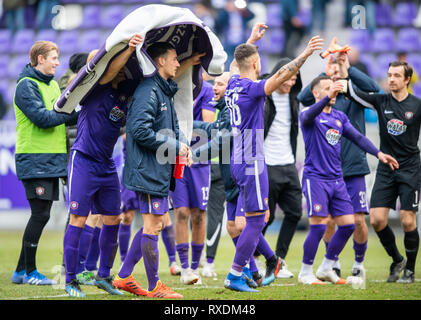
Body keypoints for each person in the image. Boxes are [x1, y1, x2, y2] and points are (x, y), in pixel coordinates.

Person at [223, 32, 324, 292]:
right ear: (257, 65)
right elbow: (280, 76)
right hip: (251, 158)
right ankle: (237, 273)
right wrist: (305, 55)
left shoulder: (233, 83)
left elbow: (238, 62)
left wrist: (251, 40)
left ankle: (259, 266)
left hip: (237, 157)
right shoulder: (251, 88)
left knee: (258, 216)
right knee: (256, 221)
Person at [112, 42, 202, 299]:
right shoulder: (148, 91)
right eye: (174, 58)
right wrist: (175, 145)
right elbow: (139, 130)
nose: (177, 63)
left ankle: (124, 276)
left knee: (160, 222)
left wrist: (183, 145)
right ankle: (154, 287)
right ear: (160, 62)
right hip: (148, 171)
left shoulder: (163, 90)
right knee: (153, 226)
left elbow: (170, 127)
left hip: (157, 169)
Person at [62, 34, 143, 298]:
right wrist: (129, 48)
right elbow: (107, 70)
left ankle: (104, 275)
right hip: (83, 160)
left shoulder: (125, 95)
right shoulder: (94, 87)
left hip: (106, 165)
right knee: (78, 218)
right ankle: (71, 280)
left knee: (113, 218)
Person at [297, 75, 398, 285]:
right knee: (318, 226)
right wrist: (328, 97)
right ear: (316, 93)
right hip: (315, 179)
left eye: (333, 88)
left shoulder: (339, 117)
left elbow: (358, 138)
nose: (332, 91)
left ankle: (326, 266)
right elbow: (308, 115)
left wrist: (379, 154)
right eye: (326, 88)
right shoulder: (309, 114)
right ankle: (305, 271)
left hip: (336, 179)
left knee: (348, 225)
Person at [10, 40, 78, 285]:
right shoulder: (26, 85)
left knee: (43, 214)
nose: (58, 63)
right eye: (53, 58)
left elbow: (61, 117)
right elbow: (42, 118)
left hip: (51, 159)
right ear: (40, 59)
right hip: (35, 158)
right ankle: (29, 272)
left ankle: (20, 271)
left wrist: (83, 114)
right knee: (40, 214)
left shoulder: (50, 86)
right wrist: (70, 115)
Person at [348, 61, 421, 283]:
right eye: (389, 75)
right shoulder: (381, 101)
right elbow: (351, 92)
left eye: (396, 75)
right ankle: (396, 259)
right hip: (386, 168)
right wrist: (345, 64)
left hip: (410, 168)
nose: (391, 79)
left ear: (407, 80)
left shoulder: (417, 105)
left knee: (408, 221)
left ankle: (410, 269)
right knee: (378, 220)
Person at [260, 57, 303, 279]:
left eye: (294, 78)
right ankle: (257, 259)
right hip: (267, 164)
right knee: (266, 218)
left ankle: (279, 260)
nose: (290, 82)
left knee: (295, 212)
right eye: (287, 77)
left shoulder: (295, 98)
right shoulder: (265, 95)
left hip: (288, 164)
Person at [171, 78, 216, 285]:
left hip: (200, 160)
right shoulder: (172, 86)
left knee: (198, 215)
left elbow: (208, 128)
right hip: (175, 157)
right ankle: (184, 268)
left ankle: (195, 265)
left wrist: (186, 120)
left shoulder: (206, 90)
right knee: (181, 212)